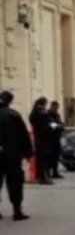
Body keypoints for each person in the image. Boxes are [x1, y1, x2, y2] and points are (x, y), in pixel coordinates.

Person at [0, 90, 33, 221]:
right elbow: (23, 136)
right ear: (10, 101)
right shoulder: (14, 115)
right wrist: (28, 153)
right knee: (15, 183)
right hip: (12, 155)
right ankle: (17, 210)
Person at [29, 97, 53, 185]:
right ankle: (44, 177)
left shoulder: (33, 113)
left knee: (39, 159)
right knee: (44, 159)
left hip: (38, 138)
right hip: (44, 138)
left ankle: (39, 176)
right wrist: (54, 126)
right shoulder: (43, 113)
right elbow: (49, 123)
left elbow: (32, 121)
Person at [48, 101, 65, 179]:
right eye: (54, 107)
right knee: (50, 156)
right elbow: (51, 124)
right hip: (50, 138)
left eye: (57, 107)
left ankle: (55, 171)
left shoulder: (57, 114)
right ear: (51, 106)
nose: (56, 109)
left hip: (57, 138)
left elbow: (59, 123)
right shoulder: (48, 114)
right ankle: (48, 171)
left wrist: (61, 126)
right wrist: (58, 125)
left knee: (56, 155)